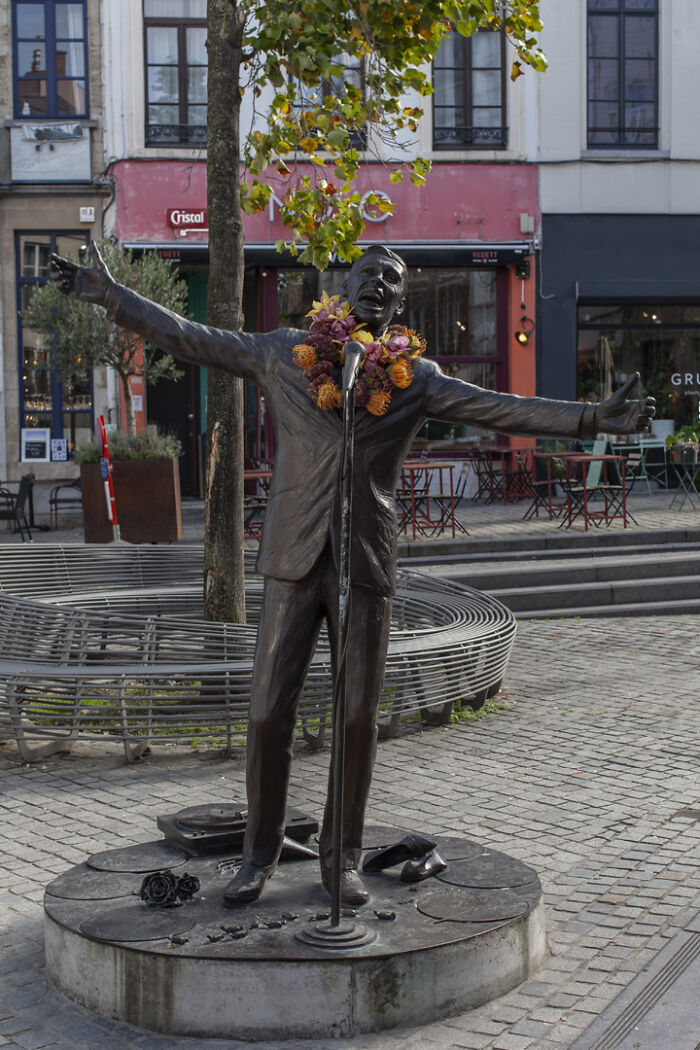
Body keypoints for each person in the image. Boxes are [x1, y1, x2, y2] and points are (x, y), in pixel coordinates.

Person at [50, 242, 655, 907]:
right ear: (346, 287)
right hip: (294, 555)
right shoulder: (282, 352)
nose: (379, 284)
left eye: (392, 280)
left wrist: (593, 420)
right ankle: (258, 855)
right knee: (265, 713)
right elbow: (193, 338)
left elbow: (498, 408)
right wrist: (112, 295)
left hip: (365, 558)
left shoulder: (413, 376)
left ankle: (342, 859)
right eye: (369, 273)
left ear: (399, 304)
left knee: (359, 714)